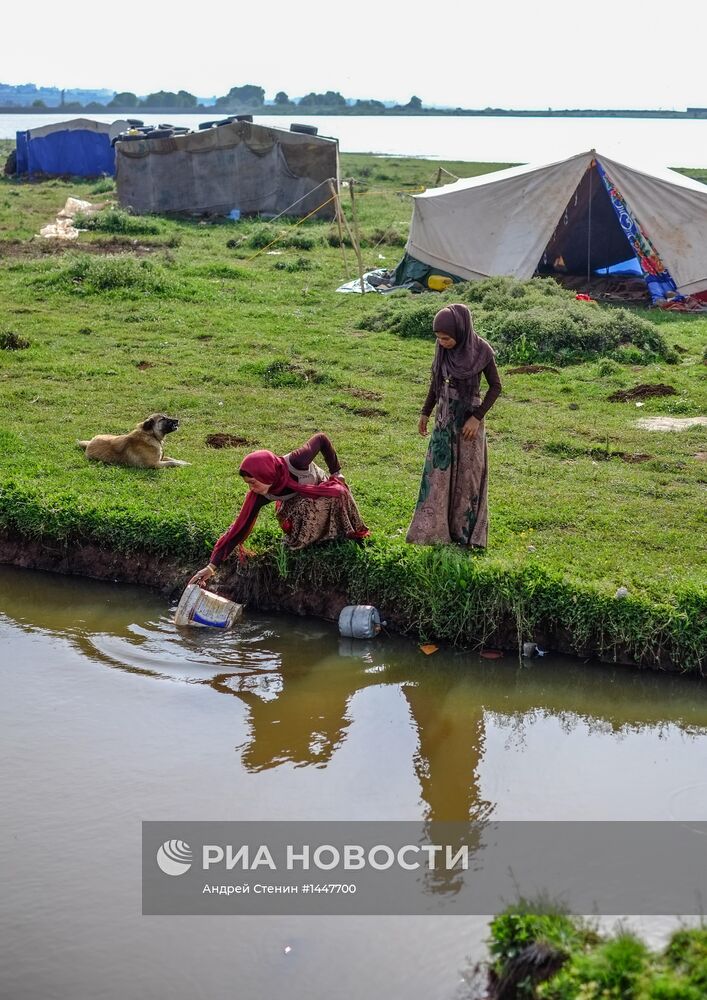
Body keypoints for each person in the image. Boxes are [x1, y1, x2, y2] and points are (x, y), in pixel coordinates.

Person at [189, 433, 369, 585]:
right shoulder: (258, 496)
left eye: (253, 482)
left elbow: (321, 439)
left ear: (266, 473)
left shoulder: (297, 460)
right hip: (295, 505)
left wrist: (336, 471)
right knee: (304, 508)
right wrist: (212, 566)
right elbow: (238, 528)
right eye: (248, 483)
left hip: (319, 489)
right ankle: (314, 540)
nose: (251, 488)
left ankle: (343, 532)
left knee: (338, 491)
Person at [406, 303, 501, 548]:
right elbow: (436, 381)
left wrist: (477, 417)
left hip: (468, 424)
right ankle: (432, 531)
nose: (443, 342)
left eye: (446, 338)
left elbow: (495, 387)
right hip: (444, 422)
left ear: (460, 331)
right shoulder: (443, 350)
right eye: (438, 338)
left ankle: (464, 535)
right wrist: (425, 412)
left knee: (467, 479)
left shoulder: (481, 351)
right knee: (437, 476)